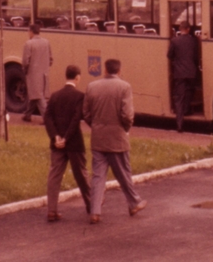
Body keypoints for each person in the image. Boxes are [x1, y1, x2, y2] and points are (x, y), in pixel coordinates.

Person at [82, 58, 146, 224]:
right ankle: (134, 202)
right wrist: (125, 128)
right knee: (123, 172)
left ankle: (94, 211)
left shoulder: (92, 86)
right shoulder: (124, 87)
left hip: (98, 138)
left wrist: (95, 126)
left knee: (98, 176)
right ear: (119, 71)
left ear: (105, 70)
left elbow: (86, 113)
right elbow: (127, 115)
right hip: (118, 137)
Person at [42, 64, 92, 222]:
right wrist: (66, 138)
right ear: (77, 77)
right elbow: (76, 118)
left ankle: (52, 210)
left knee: (54, 175)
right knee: (81, 175)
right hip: (74, 142)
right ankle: (91, 206)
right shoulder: (79, 96)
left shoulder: (55, 96)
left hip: (57, 144)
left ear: (66, 76)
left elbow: (47, 117)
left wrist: (55, 137)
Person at [167, 18, 199, 132]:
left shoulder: (175, 41)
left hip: (179, 73)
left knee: (179, 98)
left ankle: (179, 125)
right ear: (189, 29)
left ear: (180, 29)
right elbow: (196, 57)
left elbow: (169, 55)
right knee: (190, 90)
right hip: (191, 72)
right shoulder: (194, 41)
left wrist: (176, 62)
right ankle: (186, 110)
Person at [21, 23, 52, 122]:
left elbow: (25, 61)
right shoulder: (46, 42)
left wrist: (25, 69)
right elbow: (51, 59)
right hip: (44, 73)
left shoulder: (28, 44)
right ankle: (27, 115)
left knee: (38, 96)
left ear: (31, 32)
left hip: (33, 74)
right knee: (34, 94)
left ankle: (47, 118)